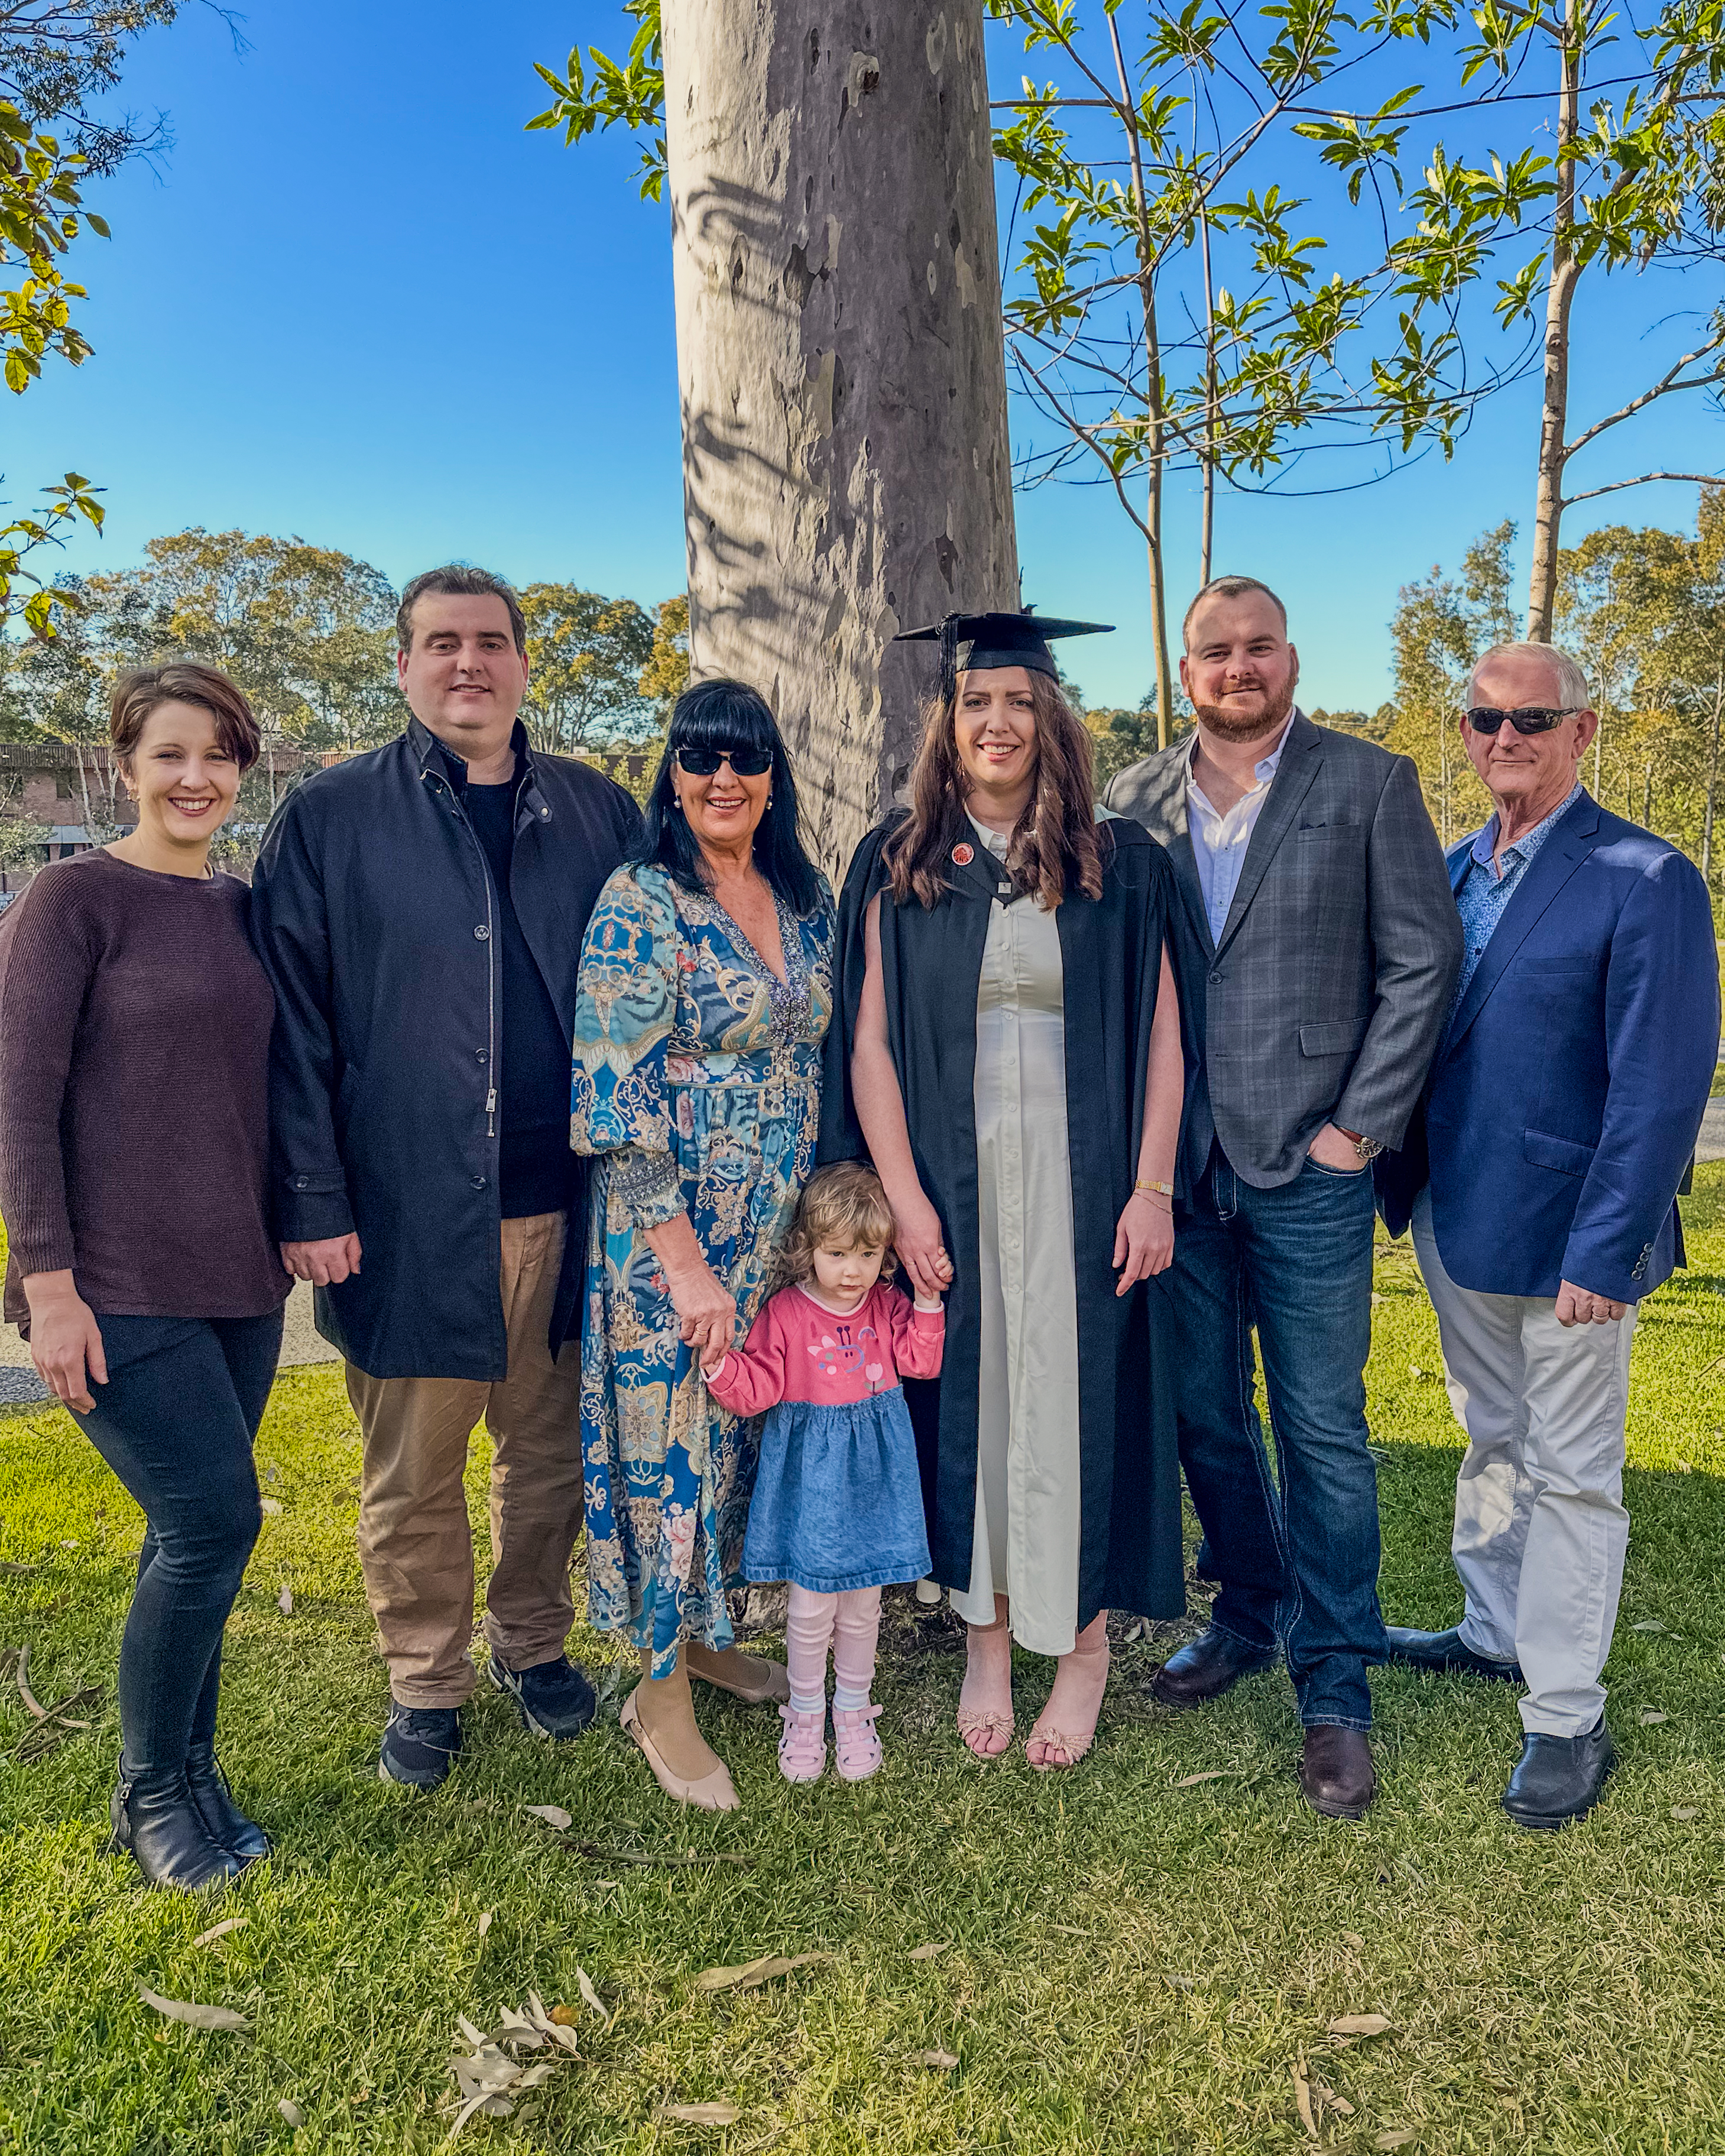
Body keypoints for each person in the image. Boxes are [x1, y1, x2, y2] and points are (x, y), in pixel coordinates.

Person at [249, 565, 640, 1791]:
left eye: (490, 641)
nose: (466, 662)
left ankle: (532, 1640)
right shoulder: (329, 816)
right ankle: (425, 1676)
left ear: (527, 662)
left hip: (567, 1209)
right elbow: (291, 1026)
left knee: (547, 1453)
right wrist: (311, 1199)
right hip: (409, 1213)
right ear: (405, 664)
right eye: (439, 643)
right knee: (412, 1471)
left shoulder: (596, 810)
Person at [1104, 575, 1461, 1819]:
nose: (1237, 666)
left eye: (1258, 647)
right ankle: (1248, 1610)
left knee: (1321, 1429)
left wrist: (1356, 1131)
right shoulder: (1128, 799)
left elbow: (1423, 960)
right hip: (1176, 1172)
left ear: (1292, 658)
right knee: (1206, 1418)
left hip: (1311, 1167)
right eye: (1215, 650)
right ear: (1183, 666)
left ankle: (1337, 1680)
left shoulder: (1366, 782)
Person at [823, 609, 1188, 1771]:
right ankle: (986, 1634)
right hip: (954, 1187)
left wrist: (1152, 1183)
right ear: (948, 719)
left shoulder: (1121, 858)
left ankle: (1079, 1643)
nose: (996, 722)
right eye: (976, 702)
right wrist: (905, 1202)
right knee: (975, 1404)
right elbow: (868, 1044)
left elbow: (1167, 1032)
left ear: (1050, 720)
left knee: (1072, 1402)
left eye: (1018, 702)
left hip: (1087, 1191)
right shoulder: (899, 860)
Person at [1377, 642, 1717, 1829]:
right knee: (1491, 1432)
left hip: (1572, 1236)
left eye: (1532, 718)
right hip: (1452, 1215)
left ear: (1583, 731)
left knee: (1574, 1474)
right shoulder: (1450, 868)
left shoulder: (1646, 874)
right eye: (1482, 718)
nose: (1504, 737)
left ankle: (1566, 1710)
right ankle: (1490, 1628)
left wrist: (1606, 1248)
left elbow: (1660, 1086)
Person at [0, 663, 288, 1891]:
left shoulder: (237, 908)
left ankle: (197, 1768)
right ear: (124, 762)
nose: (195, 778)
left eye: (219, 756)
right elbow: (20, 1099)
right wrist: (46, 1283)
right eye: (171, 753)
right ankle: (151, 1789)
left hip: (241, 1276)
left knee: (198, 1538)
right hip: (115, 1280)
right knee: (210, 1518)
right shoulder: (71, 900)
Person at [572, 677, 835, 1813]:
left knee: (737, 1436)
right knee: (667, 1450)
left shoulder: (797, 893)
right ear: (671, 775)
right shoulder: (641, 901)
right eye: (700, 758)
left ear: (773, 776)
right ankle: (658, 1689)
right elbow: (611, 1091)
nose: (722, 779)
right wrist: (682, 1262)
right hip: (668, 1237)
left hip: (773, 1227)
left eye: (745, 758)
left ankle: (713, 1633)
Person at [701, 1160, 945, 1784]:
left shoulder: (884, 1306)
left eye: (867, 1253)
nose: (852, 1270)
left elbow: (919, 1361)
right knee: (811, 1608)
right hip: (810, 1483)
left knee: (862, 1606)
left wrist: (924, 1300)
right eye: (837, 1253)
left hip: (873, 1479)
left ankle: (854, 1708)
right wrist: (718, 1366)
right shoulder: (785, 1312)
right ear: (807, 1249)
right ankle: (805, 1710)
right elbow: (758, 1386)